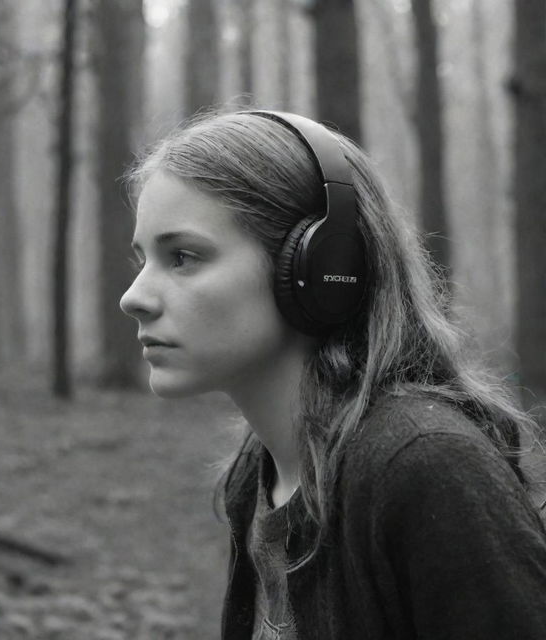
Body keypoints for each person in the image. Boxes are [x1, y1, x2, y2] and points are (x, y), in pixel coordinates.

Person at [119, 109, 546, 640]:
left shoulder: (425, 467)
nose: (133, 297)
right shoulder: (260, 472)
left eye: (183, 257)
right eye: (143, 259)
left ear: (319, 268)